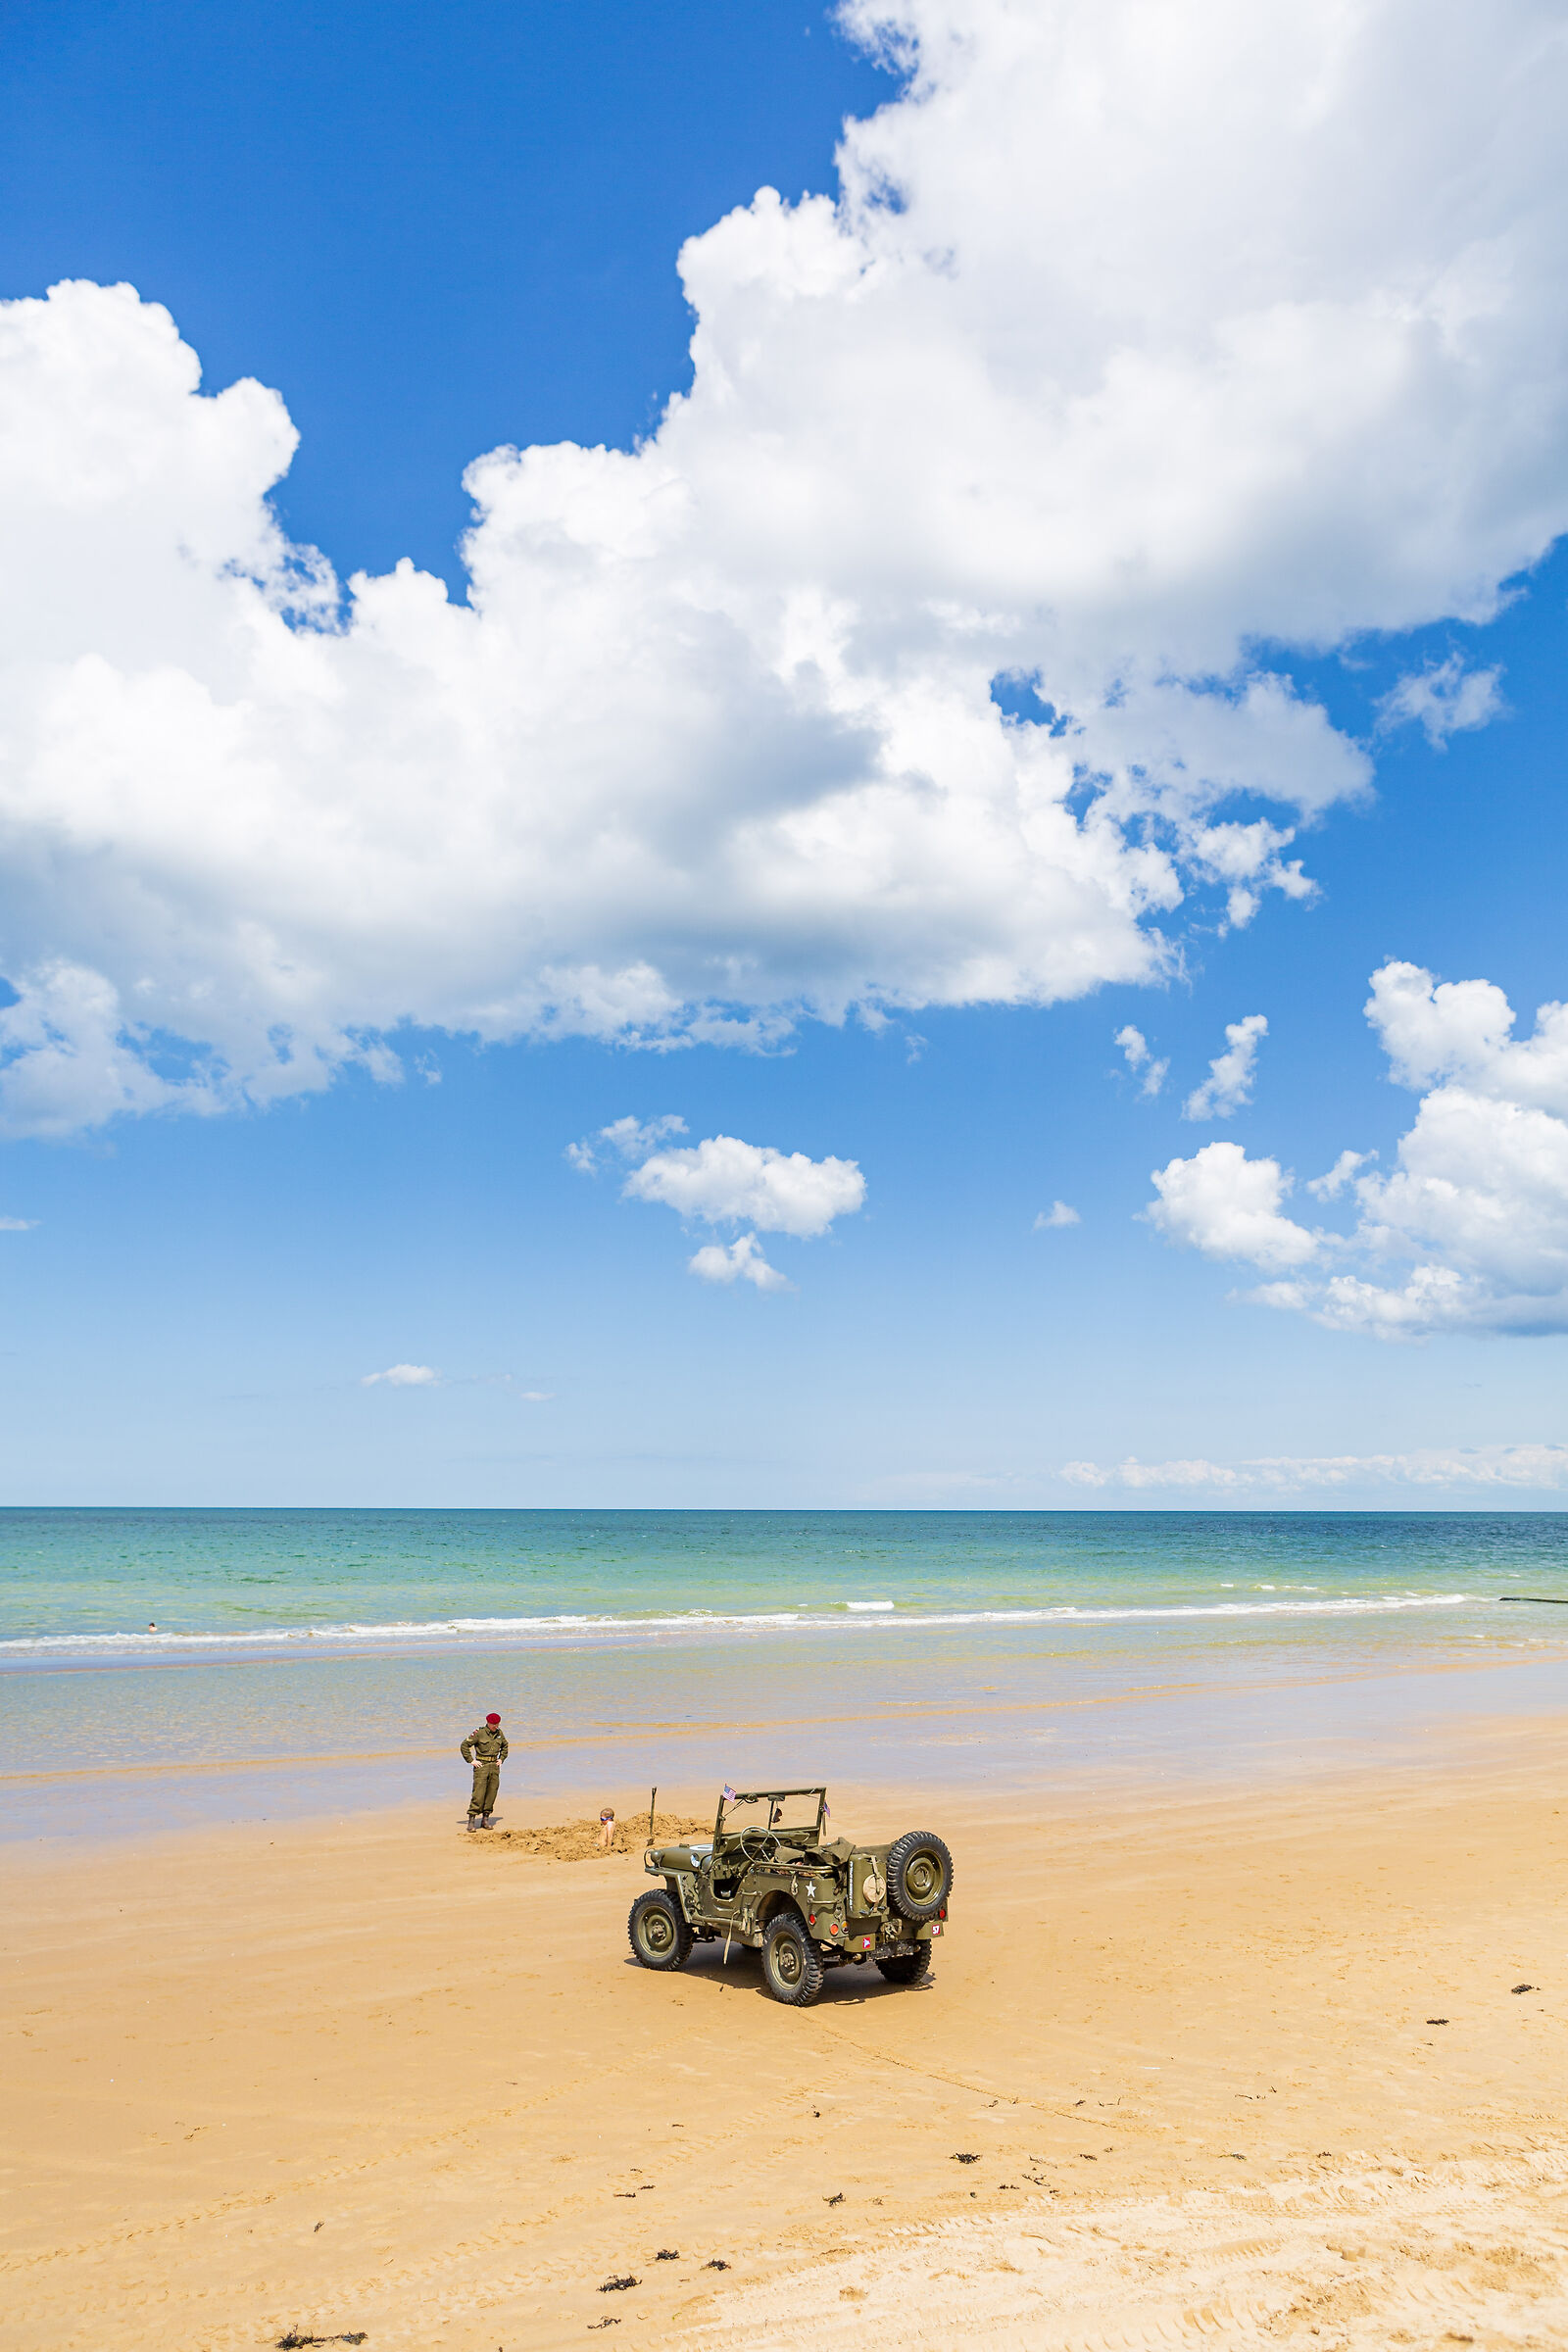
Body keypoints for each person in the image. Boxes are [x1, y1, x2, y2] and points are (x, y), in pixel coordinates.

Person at [461, 1711, 508, 1830]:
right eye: (494, 1724)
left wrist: (501, 1759)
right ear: (488, 1722)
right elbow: (464, 1746)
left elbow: (505, 1746)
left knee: (492, 1793)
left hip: (494, 1766)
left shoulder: (499, 1733)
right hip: (481, 1766)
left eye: (497, 1724)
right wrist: (471, 1761)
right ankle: (471, 1820)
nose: (496, 1726)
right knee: (478, 1794)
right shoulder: (479, 1733)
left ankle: (485, 1820)